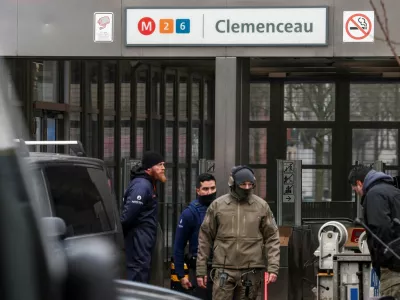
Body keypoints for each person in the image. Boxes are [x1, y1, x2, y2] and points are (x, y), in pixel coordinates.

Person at [196, 165, 280, 300]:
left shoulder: (261, 206)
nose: (247, 188)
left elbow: (272, 237)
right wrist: (201, 269)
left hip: (251, 270)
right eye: (243, 184)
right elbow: (205, 237)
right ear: (233, 183)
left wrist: (273, 267)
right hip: (223, 269)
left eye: (250, 184)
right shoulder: (218, 206)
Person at [348, 164, 400, 298]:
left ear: (359, 183)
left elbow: (381, 228)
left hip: (393, 269)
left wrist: (385, 259)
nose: (358, 194)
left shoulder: (374, 195)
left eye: (355, 190)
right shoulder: (393, 191)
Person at [120, 150, 166, 283]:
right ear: (149, 168)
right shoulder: (141, 185)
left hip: (142, 239)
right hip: (138, 239)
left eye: (163, 164)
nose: (163, 168)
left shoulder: (147, 184)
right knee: (138, 273)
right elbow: (128, 216)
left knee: (141, 271)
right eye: (159, 164)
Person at [173, 173, 217, 299]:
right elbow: (178, 246)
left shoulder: (222, 209)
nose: (210, 192)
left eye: (212, 188)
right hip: (199, 270)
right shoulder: (190, 213)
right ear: (198, 190)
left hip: (221, 269)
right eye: (205, 189)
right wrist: (181, 275)